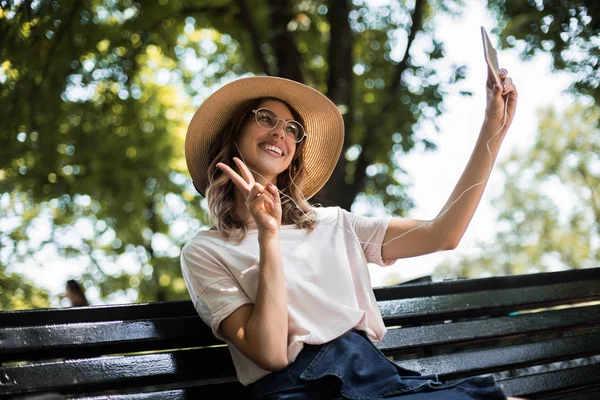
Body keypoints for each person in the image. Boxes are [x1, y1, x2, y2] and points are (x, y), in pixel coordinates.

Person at [180, 65, 522, 399]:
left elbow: (443, 233)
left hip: (373, 377)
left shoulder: (335, 224)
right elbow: (270, 355)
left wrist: (493, 129)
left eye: (292, 129)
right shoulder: (205, 251)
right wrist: (268, 238)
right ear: (235, 135)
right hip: (296, 388)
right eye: (266, 118)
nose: (281, 133)